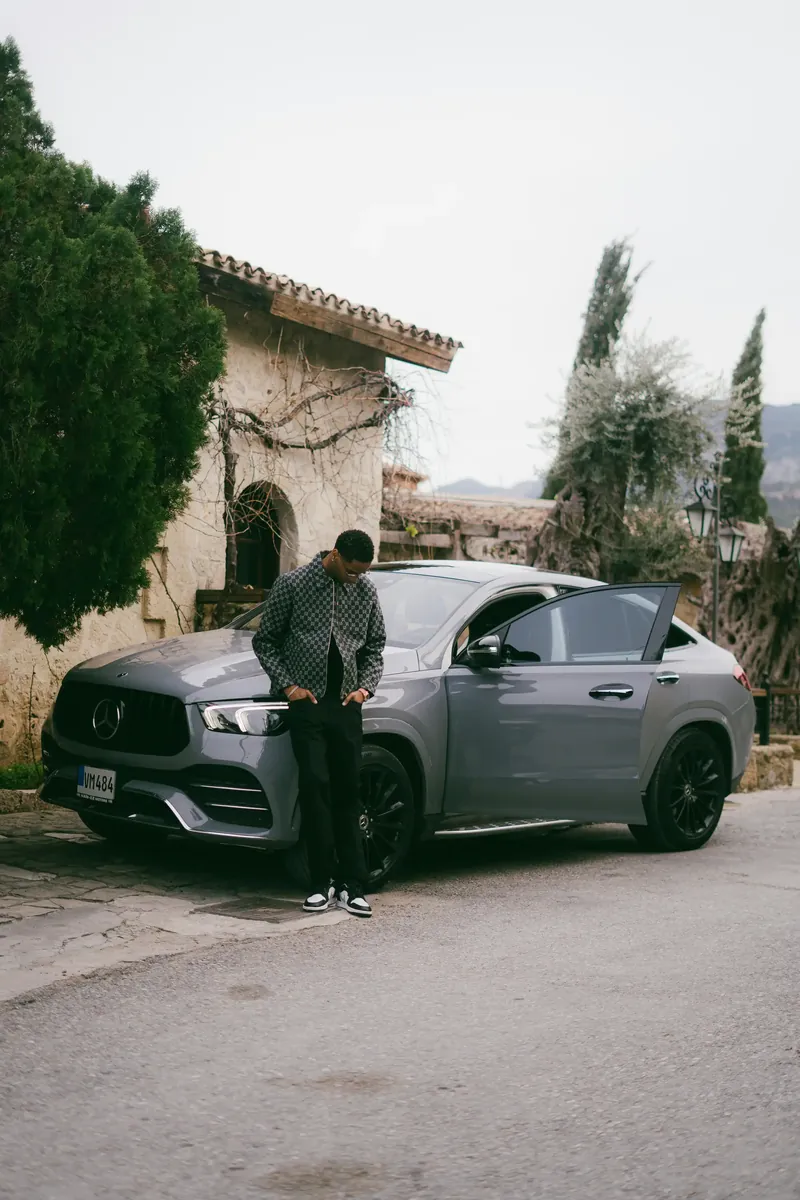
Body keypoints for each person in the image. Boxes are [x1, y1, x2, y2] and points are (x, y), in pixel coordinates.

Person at [252, 529, 386, 918]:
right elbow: (266, 641)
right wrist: (288, 686)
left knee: (349, 790)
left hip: (346, 705)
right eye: (352, 571)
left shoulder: (365, 592)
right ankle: (320, 883)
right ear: (335, 555)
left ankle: (353, 885)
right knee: (315, 788)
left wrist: (365, 688)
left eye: (363, 572)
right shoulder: (293, 584)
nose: (357, 578)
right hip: (307, 705)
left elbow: (376, 645)